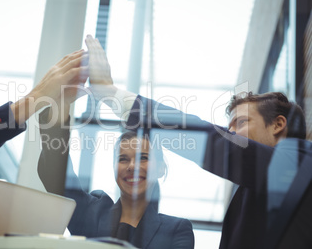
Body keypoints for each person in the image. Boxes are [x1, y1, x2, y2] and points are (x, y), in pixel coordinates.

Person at [83, 35, 312, 248]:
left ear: (278, 124)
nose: (229, 133)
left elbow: (210, 140)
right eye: (228, 127)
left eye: (240, 123)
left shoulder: (301, 160)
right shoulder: (251, 190)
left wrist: (110, 93)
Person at [37, 89, 195, 248]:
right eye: (123, 159)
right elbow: (56, 173)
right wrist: (62, 102)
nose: (132, 166)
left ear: (161, 168)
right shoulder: (92, 213)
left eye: (143, 158)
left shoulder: (176, 230)